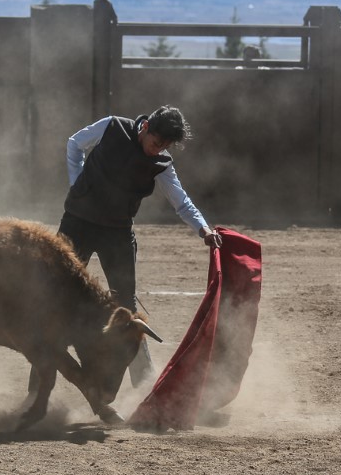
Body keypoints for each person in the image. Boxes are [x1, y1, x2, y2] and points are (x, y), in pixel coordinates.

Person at [58, 105, 221, 386]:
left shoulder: (162, 162)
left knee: (127, 306)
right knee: (54, 294)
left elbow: (181, 201)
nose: (157, 151)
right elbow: (75, 143)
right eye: (156, 143)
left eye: (165, 147)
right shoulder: (112, 125)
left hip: (117, 232)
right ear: (145, 128)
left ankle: (145, 389)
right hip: (77, 223)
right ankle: (38, 390)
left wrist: (203, 229)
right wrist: (78, 182)